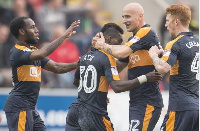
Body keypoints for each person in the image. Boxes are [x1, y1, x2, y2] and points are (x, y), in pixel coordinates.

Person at [65, 23, 162, 131]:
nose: (120, 45)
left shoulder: (85, 56)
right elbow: (116, 87)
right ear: (110, 39)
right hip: (93, 112)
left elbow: (76, 82)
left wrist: (94, 93)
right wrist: (145, 78)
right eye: (119, 42)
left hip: (74, 111)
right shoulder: (107, 57)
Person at [92, 3, 163, 131]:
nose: (124, 21)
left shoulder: (146, 32)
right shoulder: (133, 40)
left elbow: (121, 52)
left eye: (128, 16)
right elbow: (118, 67)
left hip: (148, 101)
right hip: (137, 100)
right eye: (123, 17)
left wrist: (102, 45)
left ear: (140, 16)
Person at [3, 16, 80, 131]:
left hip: (30, 108)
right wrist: (63, 36)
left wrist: (78, 64)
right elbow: (42, 53)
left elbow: (56, 67)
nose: (37, 30)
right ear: (22, 31)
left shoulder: (33, 51)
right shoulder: (17, 51)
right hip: (19, 107)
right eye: (32, 27)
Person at [148, 4, 199, 131]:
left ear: (176, 22)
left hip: (179, 107)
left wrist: (154, 56)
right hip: (196, 108)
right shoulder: (197, 42)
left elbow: (162, 69)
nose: (165, 25)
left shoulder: (175, 43)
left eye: (167, 21)